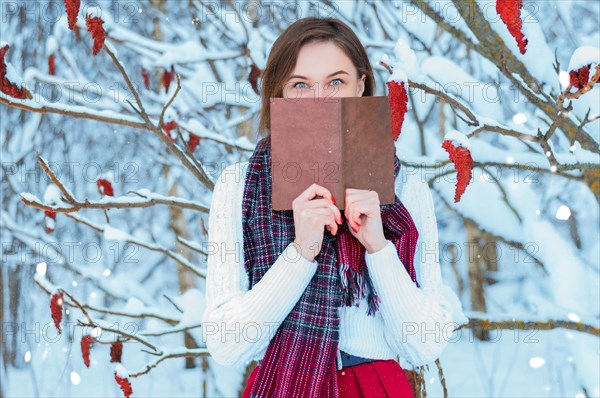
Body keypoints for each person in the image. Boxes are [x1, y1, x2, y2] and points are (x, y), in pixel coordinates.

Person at [202, 17, 458, 398]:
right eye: (300, 85)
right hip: (285, 383)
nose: (319, 99)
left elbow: (424, 344)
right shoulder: (240, 185)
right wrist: (300, 254)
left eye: (335, 82)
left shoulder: (406, 187)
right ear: (280, 94)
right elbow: (227, 345)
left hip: (377, 387)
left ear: (361, 85)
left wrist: (379, 248)